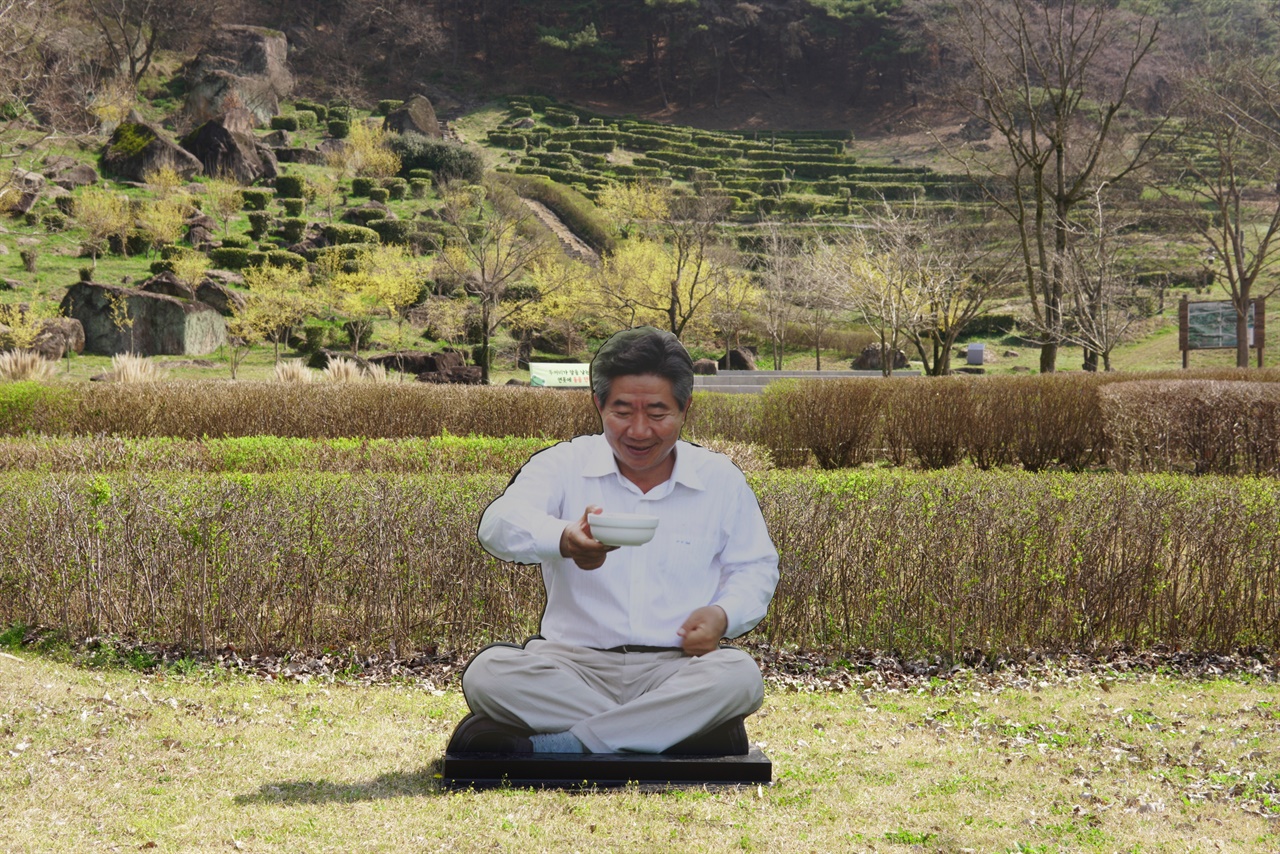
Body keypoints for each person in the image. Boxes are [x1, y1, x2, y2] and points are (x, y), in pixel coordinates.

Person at [453, 326, 779, 755]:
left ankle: (567, 744)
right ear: (598, 405)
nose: (640, 431)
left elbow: (753, 566)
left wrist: (723, 614)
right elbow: (498, 525)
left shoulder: (719, 479)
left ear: (685, 409)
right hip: (571, 666)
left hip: (676, 667)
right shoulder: (564, 463)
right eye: (622, 412)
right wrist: (563, 538)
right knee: (489, 674)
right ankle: (671, 731)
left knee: (739, 677)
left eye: (658, 414)